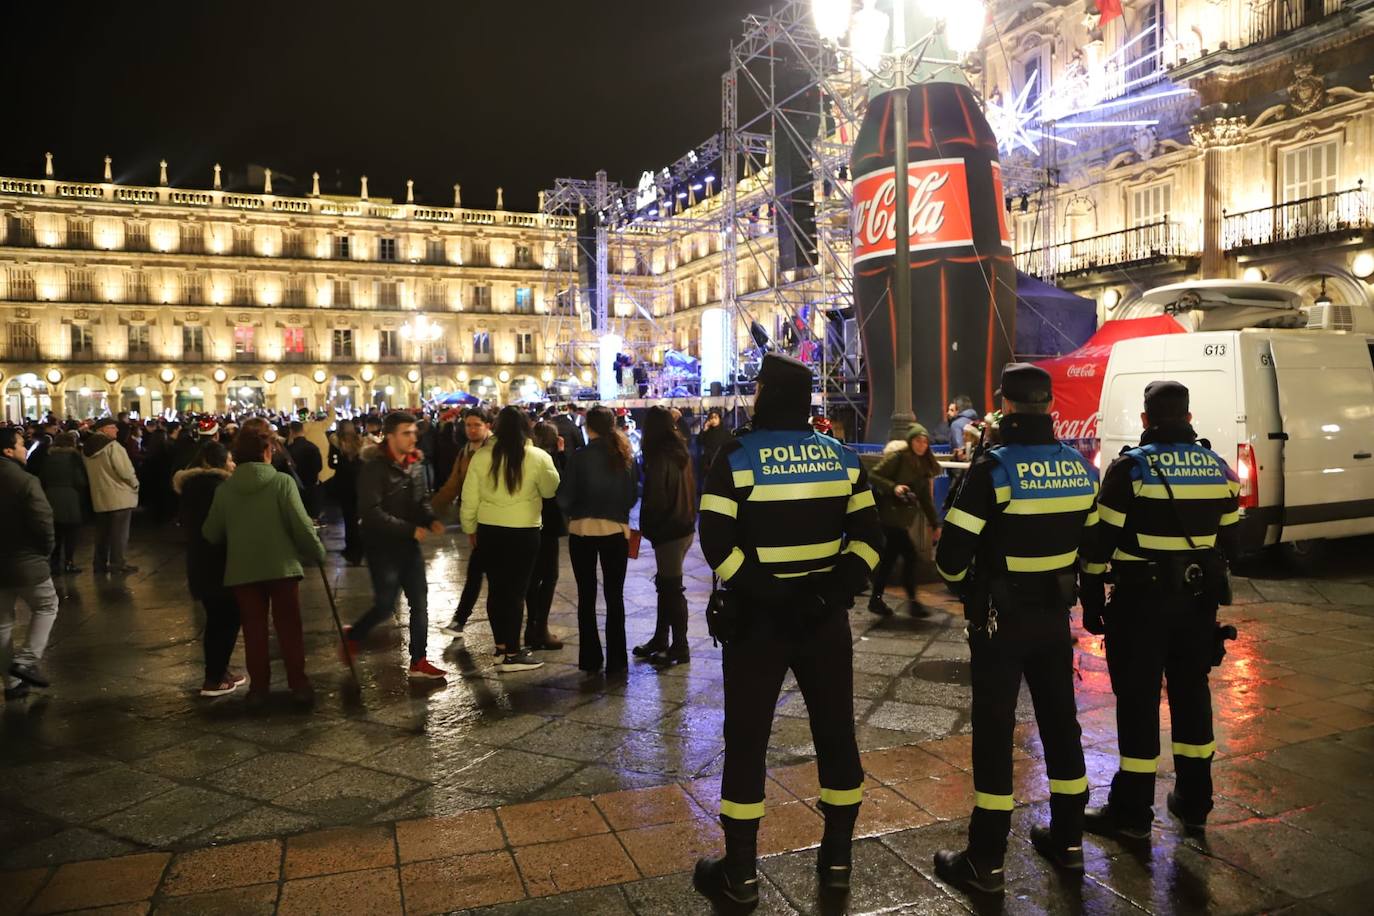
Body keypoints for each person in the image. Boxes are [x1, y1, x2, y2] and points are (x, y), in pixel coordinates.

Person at [694, 353, 883, 905]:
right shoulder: (843, 458)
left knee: (747, 740)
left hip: (758, 623)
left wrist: (772, 594)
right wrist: (826, 592)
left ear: (763, 396)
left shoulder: (736, 456)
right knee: (836, 733)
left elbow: (717, 546)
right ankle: (838, 860)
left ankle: (741, 873)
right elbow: (870, 540)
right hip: (825, 622)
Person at [932, 364, 1098, 895]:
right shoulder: (1078, 466)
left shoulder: (993, 469)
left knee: (995, 731)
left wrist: (971, 589)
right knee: (1060, 722)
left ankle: (986, 860)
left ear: (1003, 406)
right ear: (1048, 406)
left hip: (1000, 621)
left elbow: (950, 559)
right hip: (1054, 616)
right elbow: (1093, 552)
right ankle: (1070, 840)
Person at [1079, 380, 1241, 841]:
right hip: (1196, 607)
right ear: (1188, 419)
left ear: (1146, 420)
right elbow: (1234, 544)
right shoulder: (1217, 468)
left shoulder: (1131, 469)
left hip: (1140, 605)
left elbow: (1098, 546)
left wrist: (1091, 603)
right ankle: (1194, 803)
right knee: (1192, 696)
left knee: (1138, 703)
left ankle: (1131, 812)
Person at [203, 424, 326, 709]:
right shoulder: (282, 483)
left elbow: (211, 532)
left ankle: (259, 688)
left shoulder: (225, 489)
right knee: (289, 628)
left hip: (243, 571)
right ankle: (298, 684)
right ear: (267, 452)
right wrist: (316, 551)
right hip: (281, 567)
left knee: (254, 631)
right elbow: (301, 526)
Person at [344, 412, 448, 680]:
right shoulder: (373, 468)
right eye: (406, 432)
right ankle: (353, 635)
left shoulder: (415, 464)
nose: (413, 437)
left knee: (420, 603)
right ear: (390, 436)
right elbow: (371, 512)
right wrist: (410, 528)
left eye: (414, 432)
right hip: (381, 546)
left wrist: (430, 518)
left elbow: (421, 500)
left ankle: (419, 660)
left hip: (408, 545)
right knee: (384, 605)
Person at [460, 405, 561, 672]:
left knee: (496, 589)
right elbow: (551, 491)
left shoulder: (482, 457)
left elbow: (469, 498)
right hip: (524, 531)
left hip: (489, 529)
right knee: (516, 591)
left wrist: (470, 528)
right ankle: (513, 654)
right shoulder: (538, 457)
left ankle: (501, 648)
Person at [558, 405, 639, 674]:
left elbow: (565, 498)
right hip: (616, 532)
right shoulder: (625, 455)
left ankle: (591, 659)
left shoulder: (579, 458)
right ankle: (617, 660)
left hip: (583, 532)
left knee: (587, 596)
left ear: (587, 426)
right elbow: (631, 496)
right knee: (615, 596)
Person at [175, 441, 246, 697]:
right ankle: (214, 678)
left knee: (217, 618)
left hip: (200, 561)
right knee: (225, 620)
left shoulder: (191, 487)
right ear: (218, 463)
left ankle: (219, 671)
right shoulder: (219, 488)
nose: (233, 464)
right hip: (220, 562)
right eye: (229, 460)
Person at [634, 405, 696, 665]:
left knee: (672, 588)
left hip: (669, 529)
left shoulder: (661, 457)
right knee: (666, 585)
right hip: (683, 525)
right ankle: (660, 638)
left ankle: (680, 646)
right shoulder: (680, 451)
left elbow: (656, 498)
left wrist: (649, 526)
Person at [0, 427, 59, 702]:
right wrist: (45, 551)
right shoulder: (24, 481)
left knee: (2, 623)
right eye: (22, 444)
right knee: (46, 606)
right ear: (8, 451)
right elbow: (43, 521)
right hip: (24, 560)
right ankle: (25, 660)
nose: (26, 449)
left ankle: (11, 684)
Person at [867, 424, 942, 616]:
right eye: (918, 440)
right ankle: (912, 602)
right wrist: (894, 487)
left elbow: (925, 498)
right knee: (909, 556)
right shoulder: (899, 458)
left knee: (889, 560)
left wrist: (935, 524)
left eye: (925, 441)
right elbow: (873, 474)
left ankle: (876, 599)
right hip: (890, 517)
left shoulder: (923, 465)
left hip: (902, 518)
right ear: (910, 441)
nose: (922, 444)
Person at [434, 407, 493, 637]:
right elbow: (453, 484)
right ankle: (460, 621)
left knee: (479, 571)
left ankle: (461, 621)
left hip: (493, 519)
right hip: (477, 520)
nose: (471, 429)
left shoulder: (494, 451)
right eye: (468, 425)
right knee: (478, 571)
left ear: (488, 425)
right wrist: (431, 510)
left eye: (477, 424)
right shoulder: (465, 452)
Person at [524, 421, 566, 651]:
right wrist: (561, 454)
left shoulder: (526, 458)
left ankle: (532, 626)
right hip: (547, 524)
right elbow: (559, 486)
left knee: (532, 578)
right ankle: (540, 629)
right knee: (549, 577)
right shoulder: (547, 459)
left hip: (528, 522)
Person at [83, 415, 140, 575]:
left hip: (100, 495)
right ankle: (118, 563)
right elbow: (124, 471)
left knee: (102, 533)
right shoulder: (113, 447)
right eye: (112, 427)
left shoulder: (88, 447)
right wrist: (135, 483)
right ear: (103, 429)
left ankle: (99, 563)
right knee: (119, 534)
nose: (116, 430)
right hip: (119, 495)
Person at [39, 432, 87, 576]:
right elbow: (80, 480)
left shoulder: (48, 457)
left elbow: (42, 478)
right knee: (71, 533)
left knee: (55, 534)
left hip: (50, 497)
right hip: (70, 498)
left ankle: (54, 564)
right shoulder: (74, 458)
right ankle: (69, 562)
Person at [328, 423, 365, 565]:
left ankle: (351, 549)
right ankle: (361, 548)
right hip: (359, 483)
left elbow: (332, 463)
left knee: (349, 518)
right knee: (359, 516)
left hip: (344, 484)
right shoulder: (360, 442)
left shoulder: (337, 444)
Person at [287, 421, 324, 518]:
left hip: (296, 486)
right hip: (311, 485)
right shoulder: (312, 447)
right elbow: (319, 467)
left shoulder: (289, 449)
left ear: (291, 432)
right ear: (303, 430)